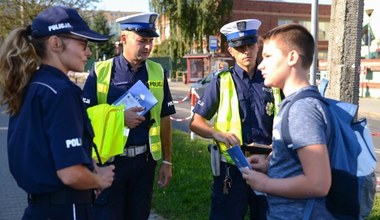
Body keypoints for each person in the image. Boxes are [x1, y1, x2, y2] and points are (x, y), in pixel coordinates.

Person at [0, 6, 115, 220]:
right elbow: (70, 173)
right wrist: (99, 180)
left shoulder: (32, 86)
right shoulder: (61, 92)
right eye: (83, 44)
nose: (88, 52)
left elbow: (45, 152)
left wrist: (90, 168)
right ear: (55, 43)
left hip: (39, 209)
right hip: (66, 210)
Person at [82, 12, 176, 219]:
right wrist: (118, 117)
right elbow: (84, 116)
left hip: (144, 163)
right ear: (124, 39)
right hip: (109, 164)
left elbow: (164, 117)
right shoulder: (101, 71)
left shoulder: (158, 71)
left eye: (151, 41)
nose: (148, 47)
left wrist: (167, 162)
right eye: (142, 41)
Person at [242, 24, 335, 219]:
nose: (260, 65)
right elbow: (300, 164)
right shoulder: (295, 104)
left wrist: (265, 184)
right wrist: (270, 165)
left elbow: (318, 183)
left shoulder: (302, 109)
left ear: (292, 58)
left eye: (268, 56)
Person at [189, 19, 277, 220]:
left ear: (258, 45)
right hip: (232, 170)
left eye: (251, 45)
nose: (247, 51)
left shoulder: (273, 79)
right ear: (231, 51)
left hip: (268, 166)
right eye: (240, 47)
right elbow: (195, 122)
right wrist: (216, 134)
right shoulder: (221, 81)